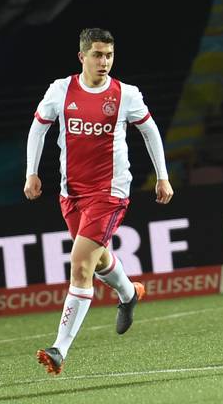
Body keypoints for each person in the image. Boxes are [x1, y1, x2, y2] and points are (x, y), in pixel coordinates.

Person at [24, 28, 174, 374]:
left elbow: (150, 131)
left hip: (110, 193)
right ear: (82, 57)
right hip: (71, 193)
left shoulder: (126, 94)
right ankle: (129, 293)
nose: (104, 61)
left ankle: (59, 349)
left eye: (109, 55)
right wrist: (32, 172)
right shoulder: (61, 90)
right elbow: (38, 128)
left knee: (80, 265)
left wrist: (163, 176)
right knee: (99, 257)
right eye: (97, 55)